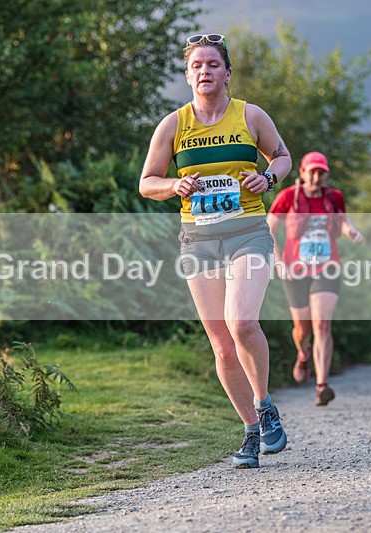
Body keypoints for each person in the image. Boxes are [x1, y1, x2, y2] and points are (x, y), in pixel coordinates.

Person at [139, 33, 292, 469]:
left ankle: (264, 405)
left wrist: (269, 178)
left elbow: (282, 157)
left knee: (241, 321)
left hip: (247, 232)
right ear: (188, 76)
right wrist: (174, 184)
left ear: (227, 73)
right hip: (199, 239)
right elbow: (147, 182)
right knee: (221, 344)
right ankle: (250, 431)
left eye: (213, 64)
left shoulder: (251, 116)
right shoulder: (174, 125)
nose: (205, 71)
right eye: (196, 66)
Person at [266, 151, 362, 406]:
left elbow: (342, 222)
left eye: (322, 172)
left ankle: (322, 385)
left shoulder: (334, 198)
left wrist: (350, 231)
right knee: (303, 329)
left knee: (321, 325)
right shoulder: (288, 197)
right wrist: (278, 263)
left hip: (326, 268)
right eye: (313, 171)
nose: (317, 177)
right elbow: (269, 230)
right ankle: (302, 353)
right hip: (294, 270)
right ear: (303, 173)